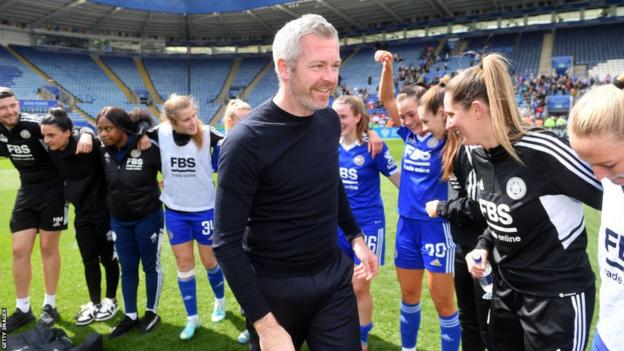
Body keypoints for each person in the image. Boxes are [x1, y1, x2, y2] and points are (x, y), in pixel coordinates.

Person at [214, 14, 378, 351]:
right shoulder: (246, 140)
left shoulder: (330, 120)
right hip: (275, 292)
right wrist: (265, 325)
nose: (330, 79)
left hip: (333, 278)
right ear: (284, 67)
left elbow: (329, 183)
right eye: (318, 66)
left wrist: (356, 237)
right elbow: (226, 243)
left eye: (334, 65)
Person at [444, 53, 602, 351]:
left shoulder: (542, 151)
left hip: (557, 300)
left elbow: (610, 190)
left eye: (452, 114)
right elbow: (503, 212)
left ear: (477, 110)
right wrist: (483, 245)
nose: (448, 123)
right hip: (507, 293)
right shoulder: (476, 154)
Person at [376, 51, 461, 351]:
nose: (409, 121)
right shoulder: (407, 135)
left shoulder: (448, 137)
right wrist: (388, 67)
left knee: (443, 302)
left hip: (437, 228)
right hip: (406, 226)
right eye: (404, 116)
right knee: (409, 296)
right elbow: (385, 97)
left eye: (413, 114)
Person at [0, 87, 90, 332]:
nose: (9, 111)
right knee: (19, 250)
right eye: (3, 108)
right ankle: (22, 309)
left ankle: (50, 305)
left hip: (53, 190)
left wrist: (88, 133)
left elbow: (67, 130)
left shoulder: (35, 125)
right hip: (27, 192)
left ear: (18, 105)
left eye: (12, 105)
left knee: (48, 248)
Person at [421, 84, 490, 350]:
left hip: (484, 250)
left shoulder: (471, 149)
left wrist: (442, 208)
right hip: (464, 247)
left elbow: (483, 206)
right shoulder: (454, 148)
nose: (424, 128)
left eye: (427, 121)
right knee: (469, 321)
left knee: (488, 324)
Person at [332, 95, 400, 351]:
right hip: (335, 226)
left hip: (368, 226)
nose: (338, 122)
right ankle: (340, 331)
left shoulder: (373, 147)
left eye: (343, 117)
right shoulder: (328, 145)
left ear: (358, 116)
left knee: (358, 285)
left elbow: (399, 181)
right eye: (334, 117)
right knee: (337, 284)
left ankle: (361, 339)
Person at [40, 108, 120, 326]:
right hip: (82, 213)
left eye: (51, 135)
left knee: (108, 258)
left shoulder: (89, 144)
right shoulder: (53, 150)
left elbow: (113, 143)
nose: (46, 140)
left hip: (104, 212)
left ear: (68, 133)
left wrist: (87, 132)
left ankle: (111, 300)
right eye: (44, 135)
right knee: (88, 260)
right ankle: (94, 303)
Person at [156, 94, 226, 340]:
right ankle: (192, 319)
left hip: (205, 209)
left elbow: (236, 142)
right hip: (175, 211)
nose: (193, 122)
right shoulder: (161, 133)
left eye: (194, 116)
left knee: (209, 262)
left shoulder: (208, 134)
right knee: (184, 265)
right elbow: (136, 129)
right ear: (171, 121)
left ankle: (220, 301)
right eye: (186, 119)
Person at [96, 107, 163, 339]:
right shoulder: (102, 150)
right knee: (128, 268)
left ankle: (151, 312)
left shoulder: (148, 147)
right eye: (100, 129)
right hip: (119, 220)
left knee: (150, 266)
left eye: (108, 128)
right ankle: (131, 315)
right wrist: (86, 134)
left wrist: (144, 133)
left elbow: (171, 176)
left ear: (122, 128)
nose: (103, 134)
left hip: (148, 217)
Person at [568, 82, 624, 351]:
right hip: (608, 335)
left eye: (608, 164)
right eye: (591, 165)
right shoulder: (613, 182)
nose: (599, 176)